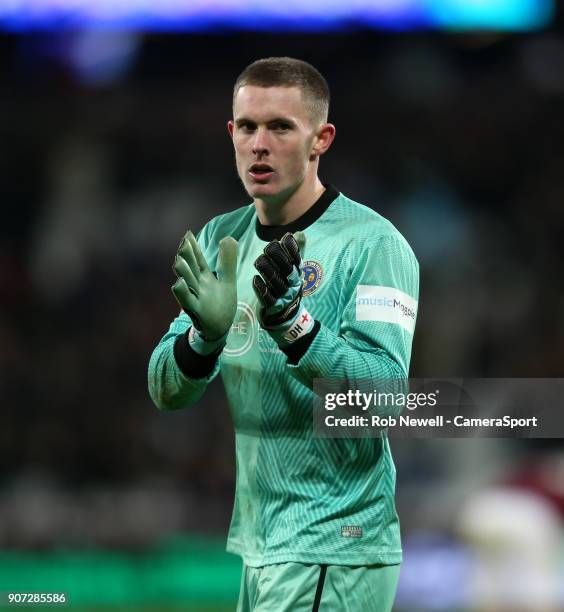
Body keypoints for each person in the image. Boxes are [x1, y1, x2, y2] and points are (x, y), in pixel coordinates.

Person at [148, 57, 419, 612]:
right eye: (247, 127)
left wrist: (297, 329)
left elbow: (389, 399)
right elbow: (165, 390)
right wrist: (204, 338)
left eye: (280, 127)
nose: (259, 145)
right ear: (231, 134)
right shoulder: (221, 238)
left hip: (335, 545)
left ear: (321, 139)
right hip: (260, 542)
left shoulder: (373, 245)